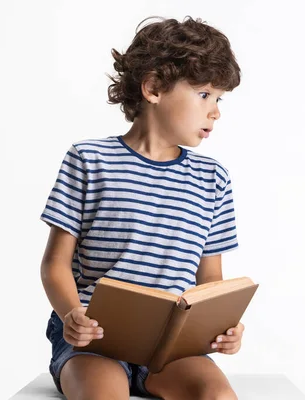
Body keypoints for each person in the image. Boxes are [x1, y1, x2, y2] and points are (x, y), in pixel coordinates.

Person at [39, 15, 243, 399]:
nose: (215, 111)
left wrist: (224, 325)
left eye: (219, 99)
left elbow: (210, 280)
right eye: (204, 95)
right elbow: (55, 265)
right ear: (153, 89)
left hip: (171, 345)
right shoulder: (89, 160)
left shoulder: (213, 179)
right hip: (95, 337)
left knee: (218, 397)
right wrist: (71, 316)